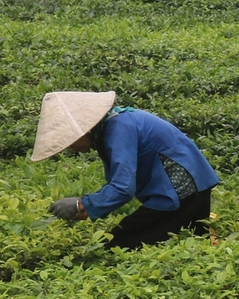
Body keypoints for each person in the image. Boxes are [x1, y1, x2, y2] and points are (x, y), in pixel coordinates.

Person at [30, 91, 220, 249]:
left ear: (84, 130)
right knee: (195, 240)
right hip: (195, 184)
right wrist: (87, 209)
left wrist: (81, 204)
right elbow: (118, 182)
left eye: (70, 142)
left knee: (119, 243)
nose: (72, 148)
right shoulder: (113, 125)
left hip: (179, 191)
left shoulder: (118, 128)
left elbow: (122, 188)